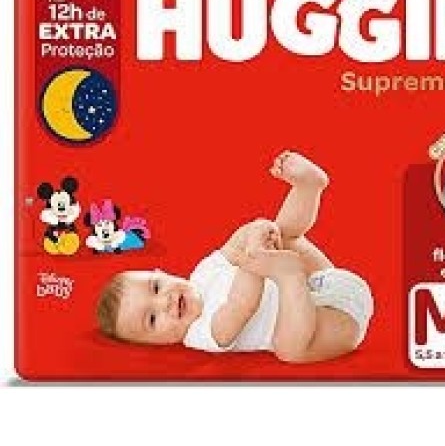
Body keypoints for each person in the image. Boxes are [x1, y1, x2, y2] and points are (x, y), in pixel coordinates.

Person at [96, 151, 374, 363]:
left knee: (283, 234)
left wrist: (256, 231)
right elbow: (241, 305)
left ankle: (308, 187)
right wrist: (256, 259)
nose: (164, 302)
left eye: (156, 287)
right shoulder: (199, 335)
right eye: (152, 319)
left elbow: (233, 245)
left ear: (162, 273)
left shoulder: (202, 273)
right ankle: (290, 276)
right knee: (289, 349)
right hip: (331, 326)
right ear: (158, 345)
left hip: (323, 282)